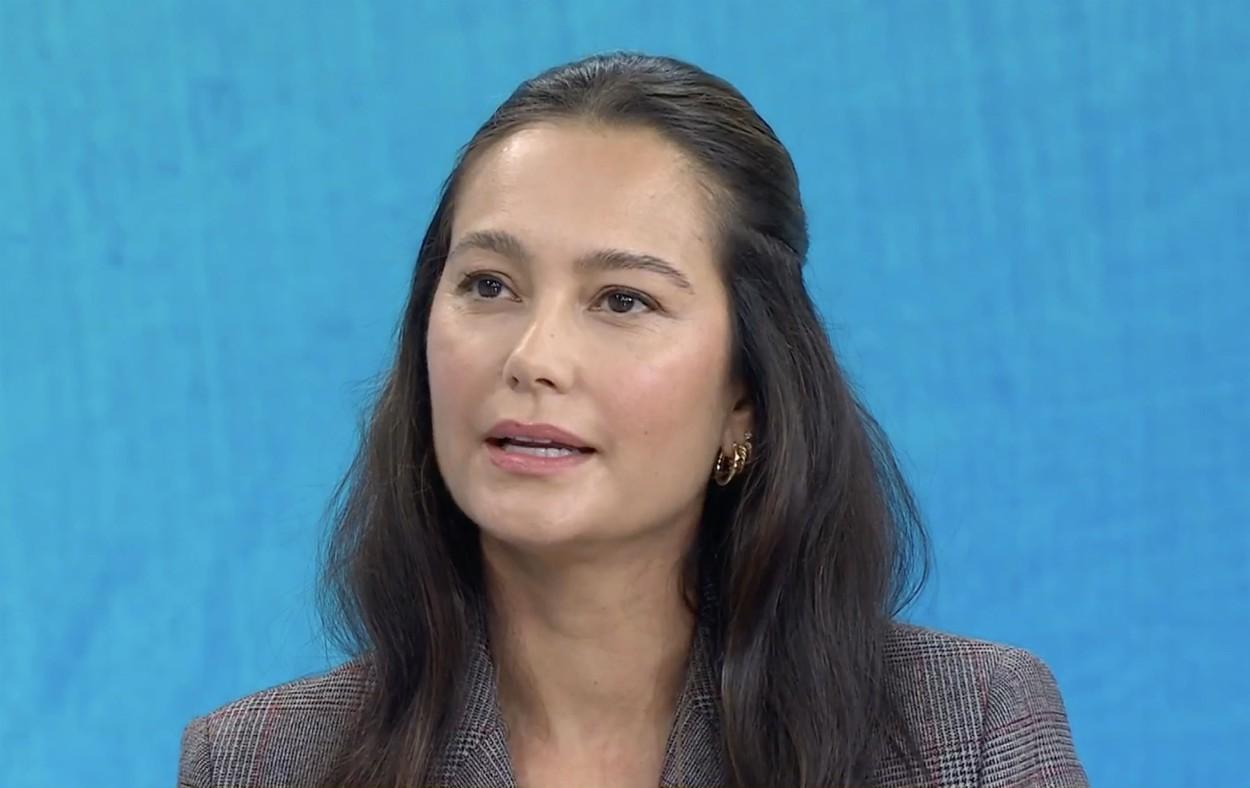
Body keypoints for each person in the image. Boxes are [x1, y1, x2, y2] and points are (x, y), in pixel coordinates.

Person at [177, 52, 1088, 787]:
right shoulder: (259, 763)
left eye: (622, 300)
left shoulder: (965, 734)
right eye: (488, 285)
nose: (533, 356)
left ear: (746, 396)